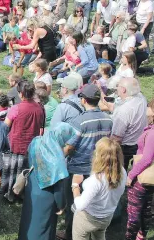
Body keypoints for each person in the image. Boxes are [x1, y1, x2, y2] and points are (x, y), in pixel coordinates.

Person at [60, 84, 114, 240]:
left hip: (78, 168)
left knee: (74, 202)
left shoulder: (80, 121)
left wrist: (58, 156)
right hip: (98, 168)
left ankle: (71, 233)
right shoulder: (108, 119)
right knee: (93, 201)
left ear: (83, 100)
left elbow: (69, 147)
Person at [18, 123, 76, 240]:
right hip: (47, 198)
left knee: (28, 220)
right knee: (44, 228)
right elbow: (59, 190)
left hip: (32, 189)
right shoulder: (57, 160)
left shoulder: (36, 141)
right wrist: (61, 206)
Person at [71, 138, 126, 240]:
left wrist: (75, 185)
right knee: (99, 236)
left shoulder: (96, 180)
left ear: (100, 156)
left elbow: (80, 205)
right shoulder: (122, 172)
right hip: (106, 217)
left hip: (87, 220)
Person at [3, 80, 45, 202]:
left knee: (13, 170)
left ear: (21, 94)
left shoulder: (16, 108)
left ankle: (10, 194)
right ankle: (23, 193)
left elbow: (6, 126)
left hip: (16, 144)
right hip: (32, 144)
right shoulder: (40, 108)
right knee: (26, 170)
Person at [125, 98, 154, 240]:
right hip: (150, 179)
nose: (146, 110)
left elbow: (147, 158)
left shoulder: (152, 134)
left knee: (134, 212)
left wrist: (131, 175)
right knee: (147, 209)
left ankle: (131, 236)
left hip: (141, 177)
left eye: (149, 107)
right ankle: (141, 235)